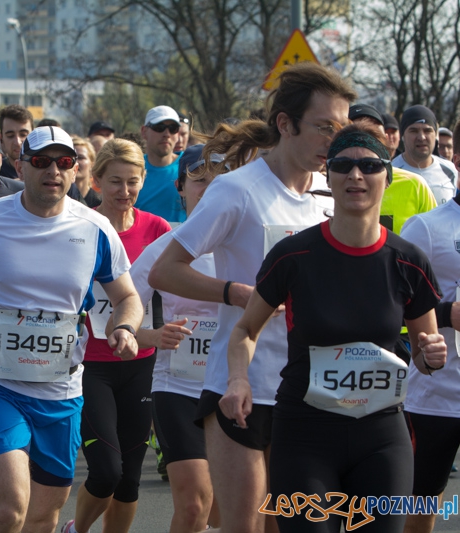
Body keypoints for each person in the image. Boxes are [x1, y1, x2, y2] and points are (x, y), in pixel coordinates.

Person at [148, 62, 355, 533]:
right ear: (286, 124)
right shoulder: (237, 190)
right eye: (324, 127)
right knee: (246, 526)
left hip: (310, 389)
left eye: (341, 129)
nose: (334, 140)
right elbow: (165, 270)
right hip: (241, 387)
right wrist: (237, 293)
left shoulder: (332, 196)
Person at [221, 124, 446, 532]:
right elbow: (245, 331)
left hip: (381, 435)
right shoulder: (293, 255)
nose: (355, 175)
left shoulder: (408, 260)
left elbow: (424, 353)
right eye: (343, 165)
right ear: (328, 175)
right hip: (305, 434)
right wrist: (238, 380)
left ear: (387, 176)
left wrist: (431, 356)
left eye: (369, 166)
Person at [0, 125, 144, 533]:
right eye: (41, 161)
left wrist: (126, 328)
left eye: (64, 162)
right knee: (10, 510)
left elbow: (128, 296)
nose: (53, 171)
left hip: (62, 389)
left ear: (75, 169)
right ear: (21, 166)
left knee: (42, 519)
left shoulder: (95, 227)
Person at [61, 139, 171, 533]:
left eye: (133, 182)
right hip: (92, 366)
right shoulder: (80, 226)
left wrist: (154, 335)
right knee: (107, 470)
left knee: (129, 480)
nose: (124, 191)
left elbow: (170, 293)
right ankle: (76, 529)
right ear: (96, 181)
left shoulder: (156, 229)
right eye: (115, 182)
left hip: (140, 365)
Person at [130, 145, 225, 532]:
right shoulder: (163, 250)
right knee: (194, 503)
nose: (210, 187)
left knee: (227, 510)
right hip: (178, 386)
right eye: (199, 180)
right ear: (180, 187)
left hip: (237, 386)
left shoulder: (252, 244)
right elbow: (120, 314)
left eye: (219, 179)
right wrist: (152, 335)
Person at [400, 191, 460, 533]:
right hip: (436, 398)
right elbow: (390, 299)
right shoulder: (426, 227)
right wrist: (448, 313)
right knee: (420, 503)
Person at [348, 103, 436, 233]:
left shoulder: (414, 185)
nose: (365, 140)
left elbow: (436, 236)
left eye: (373, 133)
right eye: (355, 133)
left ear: (385, 139)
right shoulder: (326, 182)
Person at [392, 105, 457, 205]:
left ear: (436, 135)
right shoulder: (390, 171)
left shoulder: (451, 170)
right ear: (402, 135)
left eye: (427, 131)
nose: (421, 137)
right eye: (414, 131)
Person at [135, 105, 185, 224]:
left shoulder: (190, 167)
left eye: (173, 128)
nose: (166, 134)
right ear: (144, 131)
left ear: (178, 134)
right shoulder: (132, 168)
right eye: (159, 127)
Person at [0, 105, 33, 180]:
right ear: (1, 138)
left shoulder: (46, 168)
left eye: (23, 135)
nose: (17, 142)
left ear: (34, 135)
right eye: (10, 136)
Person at [67, 136, 101, 208]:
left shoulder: (99, 203)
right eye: (71, 157)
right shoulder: (58, 200)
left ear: (92, 164)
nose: (75, 162)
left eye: (80, 157)